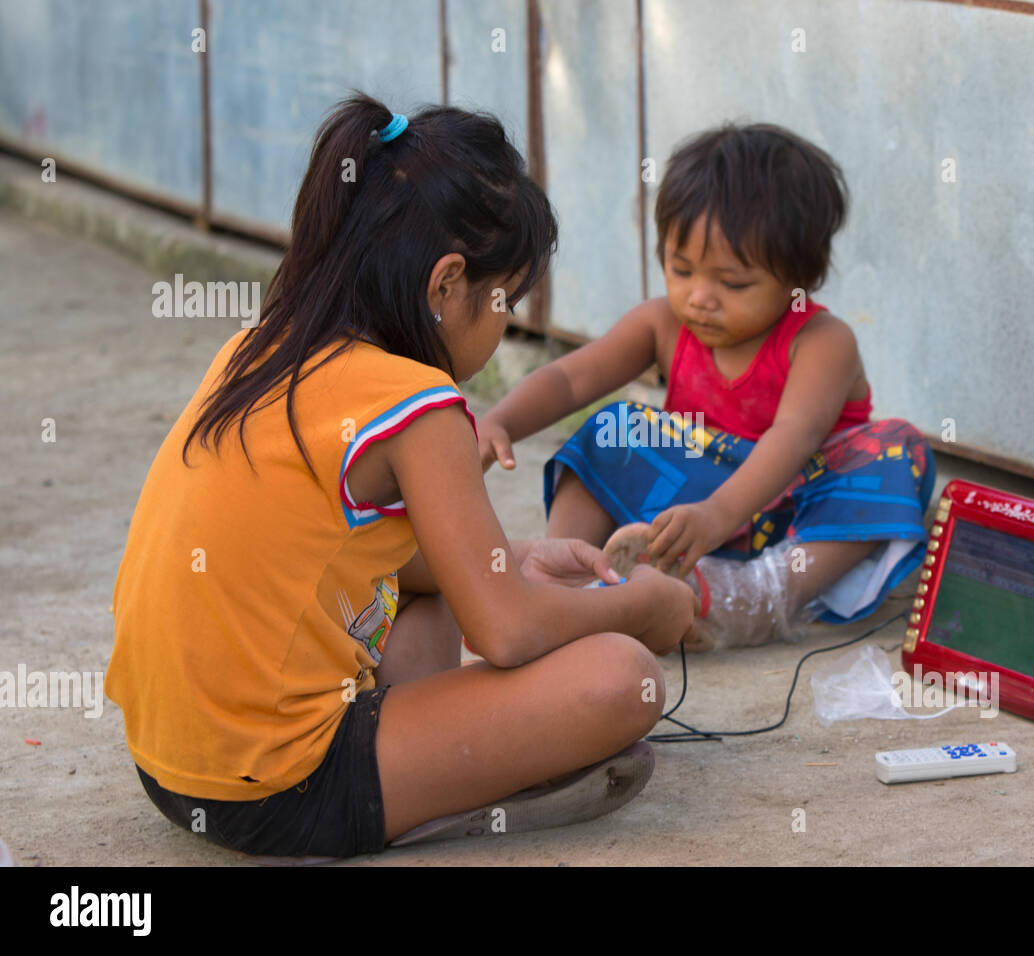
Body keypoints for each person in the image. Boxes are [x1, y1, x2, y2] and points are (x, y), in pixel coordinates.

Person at [105, 94, 696, 862]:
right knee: (624, 679)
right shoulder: (418, 404)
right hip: (283, 789)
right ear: (447, 285)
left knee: (433, 588)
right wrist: (641, 607)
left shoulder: (264, 349)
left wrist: (511, 561)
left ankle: (423, 767)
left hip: (173, 771)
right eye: (504, 302)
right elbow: (507, 632)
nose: (503, 324)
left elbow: (349, 548)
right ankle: (429, 797)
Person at [478, 123, 935, 651]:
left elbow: (794, 436)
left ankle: (759, 597)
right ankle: (566, 578)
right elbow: (571, 376)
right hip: (690, 520)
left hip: (793, 513)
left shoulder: (821, 341)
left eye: (733, 283)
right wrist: (502, 420)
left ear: (800, 278)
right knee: (612, 429)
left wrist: (718, 515)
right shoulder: (662, 323)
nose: (700, 298)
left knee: (899, 448)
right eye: (681, 269)